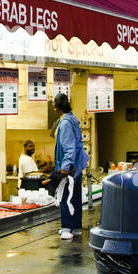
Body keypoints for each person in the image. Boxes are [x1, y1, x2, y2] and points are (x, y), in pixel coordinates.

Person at [52, 92, 89, 240]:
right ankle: (76, 227)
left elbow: (68, 147)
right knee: (75, 197)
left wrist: (65, 167)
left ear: (56, 107)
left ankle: (67, 227)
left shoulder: (65, 123)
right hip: (78, 164)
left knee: (65, 196)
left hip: (69, 166)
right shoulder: (72, 118)